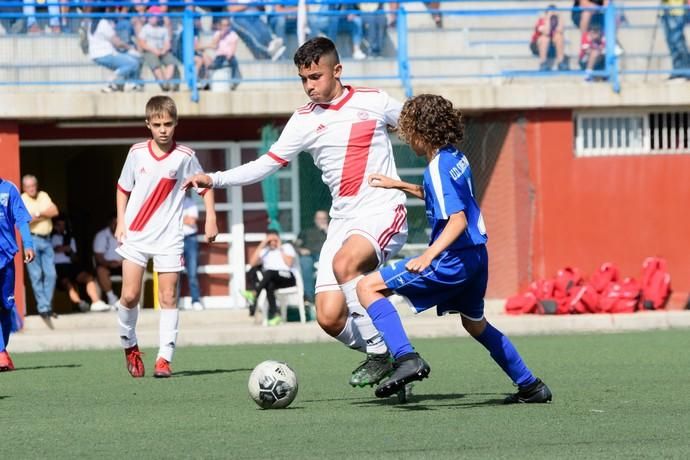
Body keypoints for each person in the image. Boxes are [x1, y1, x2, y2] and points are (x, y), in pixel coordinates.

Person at [183, 37, 408, 388]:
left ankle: (383, 352)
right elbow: (266, 164)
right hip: (344, 220)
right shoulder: (303, 120)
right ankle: (395, 358)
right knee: (329, 317)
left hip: (382, 210)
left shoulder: (374, 101)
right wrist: (215, 178)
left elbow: (418, 125)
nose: (309, 86)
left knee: (346, 264)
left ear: (337, 71)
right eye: (303, 79)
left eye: (315, 77)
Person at [356, 94, 552, 404]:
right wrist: (400, 185)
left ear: (422, 132)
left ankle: (407, 358)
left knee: (367, 287)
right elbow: (444, 199)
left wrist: (428, 254)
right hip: (476, 257)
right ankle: (531, 385)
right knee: (474, 323)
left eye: (409, 134)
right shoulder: (455, 158)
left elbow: (457, 219)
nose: (408, 141)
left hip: (452, 259)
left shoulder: (436, 167)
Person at [115, 95, 218, 379]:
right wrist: (121, 222)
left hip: (169, 238)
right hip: (136, 234)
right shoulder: (136, 153)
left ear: (176, 124)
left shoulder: (185, 156)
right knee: (130, 295)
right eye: (157, 124)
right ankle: (129, 345)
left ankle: (164, 358)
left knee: (169, 295)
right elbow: (123, 188)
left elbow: (204, 185)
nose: (163, 129)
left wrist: (210, 217)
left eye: (168, 124)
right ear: (148, 124)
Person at [0, 177, 35, 371]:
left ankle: (2, 349)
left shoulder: (9, 189)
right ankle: (1, 353)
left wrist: (28, 244)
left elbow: (21, 219)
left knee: (6, 306)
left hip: (6, 257)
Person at [51, 215, 110, 313]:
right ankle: (80, 303)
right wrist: (62, 248)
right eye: (58, 225)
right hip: (57, 267)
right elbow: (54, 249)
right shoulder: (49, 238)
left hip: (71, 266)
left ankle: (96, 302)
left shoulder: (70, 238)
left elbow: (74, 257)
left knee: (89, 278)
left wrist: (70, 252)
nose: (61, 228)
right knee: (67, 283)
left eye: (63, 225)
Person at [21, 174, 59, 322]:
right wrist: (44, 214)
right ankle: (44, 308)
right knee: (36, 275)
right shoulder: (22, 198)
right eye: (28, 186)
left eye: (33, 186)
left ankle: (46, 305)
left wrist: (37, 214)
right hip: (32, 240)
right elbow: (24, 220)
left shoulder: (43, 195)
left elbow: (55, 211)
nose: (31, 189)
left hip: (47, 239)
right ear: (24, 187)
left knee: (51, 274)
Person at [244, 229, 298, 326]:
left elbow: (289, 263)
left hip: (288, 277)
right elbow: (251, 264)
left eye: (274, 239)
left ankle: (254, 293)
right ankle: (276, 315)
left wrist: (280, 247)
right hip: (273, 279)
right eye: (270, 240)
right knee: (269, 285)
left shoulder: (287, 247)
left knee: (269, 272)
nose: (272, 242)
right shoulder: (265, 251)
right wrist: (263, 243)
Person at [88, 4, 143, 93]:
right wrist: (131, 48)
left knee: (132, 59)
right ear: (105, 11)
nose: (112, 11)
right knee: (133, 63)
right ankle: (111, 81)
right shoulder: (103, 23)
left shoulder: (93, 22)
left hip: (98, 54)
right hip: (106, 54)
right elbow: (117, 43)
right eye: (110, 9)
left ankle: (131, 84)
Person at [138, 6, 179, 91]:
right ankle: (163, 84)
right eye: (151, 16)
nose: (152, 18)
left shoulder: (163, 29)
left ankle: (166, 82)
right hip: (150, 51)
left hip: (162, 51)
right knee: (155, 65)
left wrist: (164, 50)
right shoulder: (146, 28)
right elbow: (142, 43)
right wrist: (154, 50)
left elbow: (167, 43)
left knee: (171, 62)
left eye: (154, 16)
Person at [295, 209, 329, 304]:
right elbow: (296, 245)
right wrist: (300, 250)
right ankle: (309, 297)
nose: (321, 221)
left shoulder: (331, 231)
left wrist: (327, 231)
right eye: (319, 218)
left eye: (324, 218)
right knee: (305, 262)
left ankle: (328, 297)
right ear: (315, 219)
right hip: (309, 255)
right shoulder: (307, 231)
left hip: (324, 256)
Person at [93, 215, 124, 307]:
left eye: (117, 223)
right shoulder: (101, 235)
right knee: (100, 270)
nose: (115, 226)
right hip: (107, 265)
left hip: (124, 264)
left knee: (133, 270)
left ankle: (128, 300)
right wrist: (109, 263)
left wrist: (122, 262)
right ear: (109, 224)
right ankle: (112, 298)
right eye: (113, 223)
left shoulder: (126, 234)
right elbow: (98, 257)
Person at [181, 193, 204, 311]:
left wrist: (178, 217)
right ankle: (174, 302)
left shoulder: (190, 202)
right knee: (174, 272)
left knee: (192, 272)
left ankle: (195, 300)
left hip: (190, 239)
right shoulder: (170, 201)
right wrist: (185, 218)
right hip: (175, 239)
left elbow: (192, 221)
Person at [530, 5, 568, 71]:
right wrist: (548, 18)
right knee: (545, 38)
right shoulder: (541, 21)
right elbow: (546, 32)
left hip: (551, 46)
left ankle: (561, 62)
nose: (553, 17)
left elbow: (561, 30)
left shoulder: (557, 21)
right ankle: (543, 63)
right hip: (537, 46)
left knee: (559, 36)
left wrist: (560, 16)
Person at [661, 0, 690, 80]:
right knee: (671, 43)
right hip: (665, 11)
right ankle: (678, 70)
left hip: (677, 11)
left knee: (678, 42)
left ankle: (686, 70)